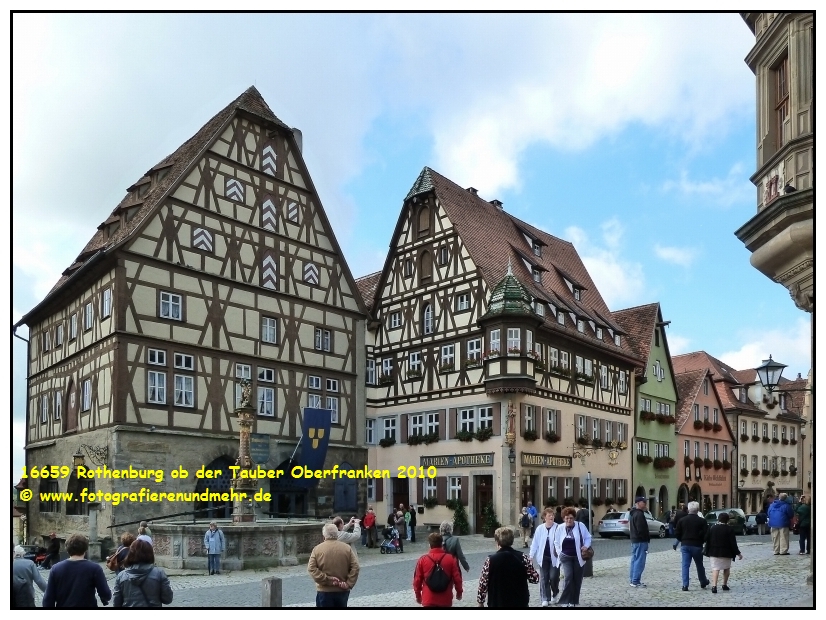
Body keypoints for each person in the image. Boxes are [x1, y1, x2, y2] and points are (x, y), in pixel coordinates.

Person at [42, 533, 111, 608]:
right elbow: (106, 594)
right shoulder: (95, 568)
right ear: (86, 549)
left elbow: (48, 599)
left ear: (67, 549)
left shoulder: (56, 569)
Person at [476, 526, 539, 608]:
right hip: (519, 602)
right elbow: (535, 579)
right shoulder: (523, 557)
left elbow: (483, 583)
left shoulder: (490, 560)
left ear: (497, 542)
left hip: (497, 601)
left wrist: (480, 602)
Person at [307, 523, 360, 608]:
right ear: (337, 533)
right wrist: (349, 583)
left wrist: (326, 579)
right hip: (342, 588)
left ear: (324, 535)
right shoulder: (346, 548)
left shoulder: (317, 549)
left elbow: (311, 568)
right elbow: (355, 567)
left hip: (324, 590)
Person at [113, 539, 173, 607]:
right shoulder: (159, 574)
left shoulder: (121, 576)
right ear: (150, 554)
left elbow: (116, 603)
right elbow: (167, 599)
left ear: (130, 554)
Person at [553, 507, 592, 608]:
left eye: (571, 518)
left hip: (579, 557)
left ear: (574, 518)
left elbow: (588, 537)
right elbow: (556, 542)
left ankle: (573, 601)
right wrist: (559, 553)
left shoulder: (580, 525)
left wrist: (586, 546)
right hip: (565, 557)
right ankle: (565, 600)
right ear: (563, 518)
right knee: (569, 577)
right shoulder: (560, 528)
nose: (569, 520)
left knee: (577, 579)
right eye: (566, 518)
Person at [413, 533, 462, 607]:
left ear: (429, 545)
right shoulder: (451, 559)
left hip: (428, 599)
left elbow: (417, 580)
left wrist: (418, 596)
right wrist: (459, 593)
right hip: (445, 599)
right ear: (441, 544)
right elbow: (457, 578)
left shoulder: (422, 560)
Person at [674, 501, 709, 591]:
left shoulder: (682, 520)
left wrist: (682, 539)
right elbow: (706, 534)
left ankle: (685, 585)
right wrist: (702, 540)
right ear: (697, 510)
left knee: (685, 565)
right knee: (699, 564)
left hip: (685, 544)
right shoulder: (702, 521)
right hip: (697, 545)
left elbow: (677, 533)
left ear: (688, 510)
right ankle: (703, 581)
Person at [704, 512, 742, 593]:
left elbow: (706, 538)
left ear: (719, 519)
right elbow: (733, 543)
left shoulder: (712, 528)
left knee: (715, 569)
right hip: (726, 552)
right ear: (727, 520)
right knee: (726, 568)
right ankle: (724, 584)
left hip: (714, 552)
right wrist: (738, 553)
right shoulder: (729, 529)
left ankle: (714, 586)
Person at [529, 507, 560, 606]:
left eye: (552, 515)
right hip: (543, 557)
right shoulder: (540, 528)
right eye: (549, 515)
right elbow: (535, 543)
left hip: (555, 558)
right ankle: (545, 598)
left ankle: (555, 593)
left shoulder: (558, 527)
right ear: (544, 517)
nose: (551, 517)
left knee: (553, 577)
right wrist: (531, 555)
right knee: (544, 578)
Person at [629, 496, 650, 587]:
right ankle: (636, 581)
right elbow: (641, 529)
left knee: (634, 560)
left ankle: (633, 579)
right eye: (643, 502)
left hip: (635, 540)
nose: (645, 504)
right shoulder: (639, 514)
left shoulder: (634, 513)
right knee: (639, 561)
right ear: (638, 503)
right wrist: (645, 538)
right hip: (640, 541)